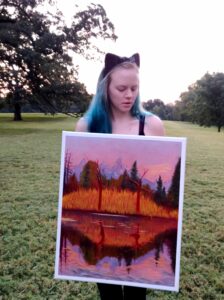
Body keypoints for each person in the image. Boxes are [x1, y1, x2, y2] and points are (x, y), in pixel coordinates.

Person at [75, 52, 165, 300]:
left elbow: (160, 176)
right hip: (100, 228)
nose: (129, 95)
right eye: (121, 88)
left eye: (134, 88)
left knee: (137, 294)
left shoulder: (152, 125)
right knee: (109, 295)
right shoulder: (86, 126)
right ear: (105, 88)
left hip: (139, 228)